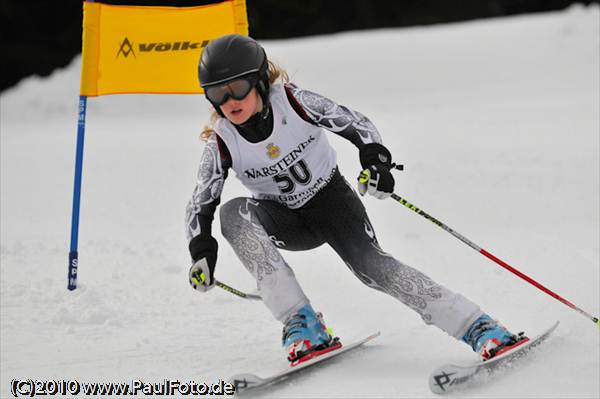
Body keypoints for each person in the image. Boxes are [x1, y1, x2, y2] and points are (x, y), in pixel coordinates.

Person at [185, 34, 526, 365]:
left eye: (238, 89)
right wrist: (200, 252)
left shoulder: (294, 102)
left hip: (332, 204)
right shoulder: (222, 142)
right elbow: (201, 201)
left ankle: (479, 327)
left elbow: (357, 125)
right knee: (233, 212)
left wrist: (376, 163)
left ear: (258, 81)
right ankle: (302, 324)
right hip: (285, 220)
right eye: (218, 93)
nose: (230, 102)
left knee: (371, 268)